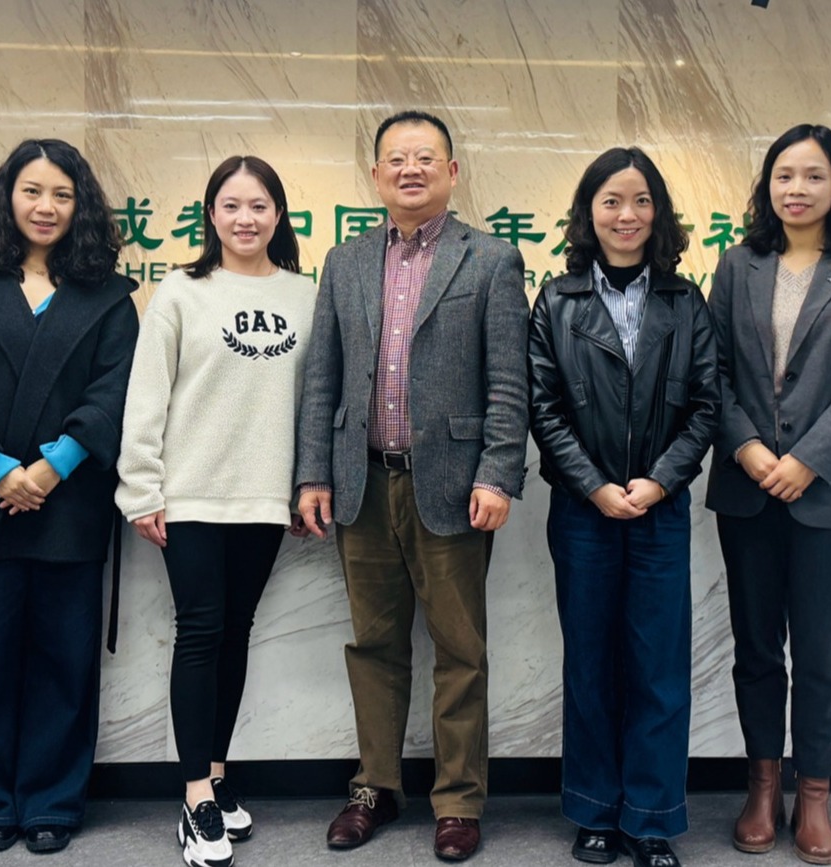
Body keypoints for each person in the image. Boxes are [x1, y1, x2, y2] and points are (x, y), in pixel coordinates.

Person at [295, 110, 529, 863]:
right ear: (375, 176)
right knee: (373, 644)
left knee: (461, 650)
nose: (410, 169)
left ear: (452, 172)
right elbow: (322, 377)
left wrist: (497, 473)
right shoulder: (345, 261)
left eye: (426, 158)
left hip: (455, 487)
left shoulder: (490, 259)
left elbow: (509, 381)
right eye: (396, 159)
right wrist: (312, 473)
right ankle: (374, 787)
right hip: (362, 483)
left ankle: (458, 801)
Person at [0, 138, 137, 855]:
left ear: (82, 206)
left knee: (65, 661)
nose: (46, 206)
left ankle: (52, 801)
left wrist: (52, 466)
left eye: (62, 194)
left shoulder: (109, 296)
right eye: (32, 191)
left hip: (70, 500)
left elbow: (115, 391)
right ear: (6, 197)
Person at [707, 124, 831, 866]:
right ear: (767, 186)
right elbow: (712, 370)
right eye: (783, 175)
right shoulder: (738, 265)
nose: (796, 188)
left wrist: (808, 461)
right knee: (757, 649)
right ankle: (762, 789)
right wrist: (749, 447)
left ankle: (814, 793)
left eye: (813, 175)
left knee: (820, 650)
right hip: (749, 486)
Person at [115, 155, 315, 867]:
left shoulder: (305, 295)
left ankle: (218, 774)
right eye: (230, 205)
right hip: (192, 493)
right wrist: (142, 488)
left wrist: (305, 484)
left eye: (258, 205)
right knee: (200, 632)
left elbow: (314, 400)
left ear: (279, 215)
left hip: (264, 495)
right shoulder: (180, 290)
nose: (244, 218)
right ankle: (195, 794)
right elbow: (147, 394)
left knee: (237, 632)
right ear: (210, 215)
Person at [527, 147, 719, 867]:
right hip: (584, 512)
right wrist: (594, 485)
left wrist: (660, 481)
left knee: (657, 669)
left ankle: (651, 817)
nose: (626, 215)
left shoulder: (685, 302)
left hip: (660, 511)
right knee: (591, 665)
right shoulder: (556, 301)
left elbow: (706, 405)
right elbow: (542, 407)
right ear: (589, 212)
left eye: (640, 201)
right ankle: (595, 812)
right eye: (611, 200)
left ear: (657, 212)